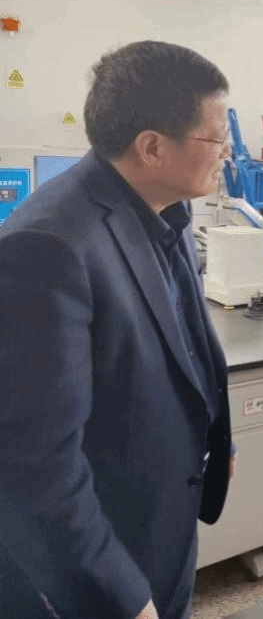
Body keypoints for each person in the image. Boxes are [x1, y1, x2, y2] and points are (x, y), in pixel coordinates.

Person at [0, 41, 236, 619]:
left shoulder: (165, 208)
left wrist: (216, 437)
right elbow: (35, 468)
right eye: (217, 138)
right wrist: (120, 598)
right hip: (96, 564)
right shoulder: (48, 248)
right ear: (152, 147)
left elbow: (184, 344)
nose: (229, 152)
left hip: (162, 526)